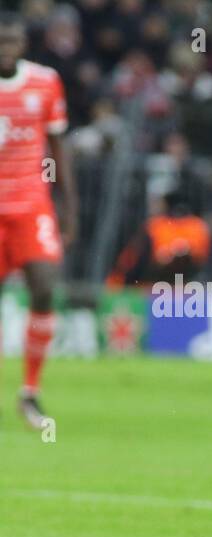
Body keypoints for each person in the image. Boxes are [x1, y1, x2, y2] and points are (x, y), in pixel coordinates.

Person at [0, 11, 75, 430]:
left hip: (31, 205)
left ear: (22, 44)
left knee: (45, 287)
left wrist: (70, 207)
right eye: (0, 42)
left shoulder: (45, 82)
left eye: (11, 41)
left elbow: (59, 146)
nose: (5, 48)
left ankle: (29, 391)